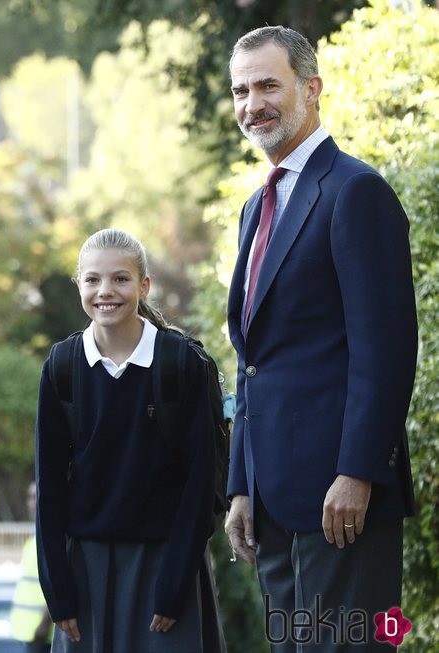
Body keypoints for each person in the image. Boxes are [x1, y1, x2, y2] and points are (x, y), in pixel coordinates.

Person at [223, 27, 417, 652]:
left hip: (342, 501)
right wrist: (240, 484)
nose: (253, 103)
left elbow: (385, 349)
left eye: (267, 85)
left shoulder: (356, 192)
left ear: (311, 89)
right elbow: (252, 361)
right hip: (273, 504)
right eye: (241, 90)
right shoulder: (258, 207)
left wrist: (358, 471)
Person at [36, 228, 222, 653]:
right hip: (85, 573)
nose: (106, 291)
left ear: (144, 286)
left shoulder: (182, 364)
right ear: (79, 285)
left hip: (166, 568)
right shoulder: (63, 366)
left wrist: (175, 583)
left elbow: (200, 484)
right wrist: (58, 588)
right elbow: (49, 488)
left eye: (120, 279)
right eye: (93, 280)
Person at [10, 481, 52, 653]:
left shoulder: (51, 541)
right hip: (26, 635)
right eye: (30, 497)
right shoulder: (33, 539)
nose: (32, 502)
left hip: (42, 635)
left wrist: (44, 624)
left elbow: (58, 583)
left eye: (37, 496)